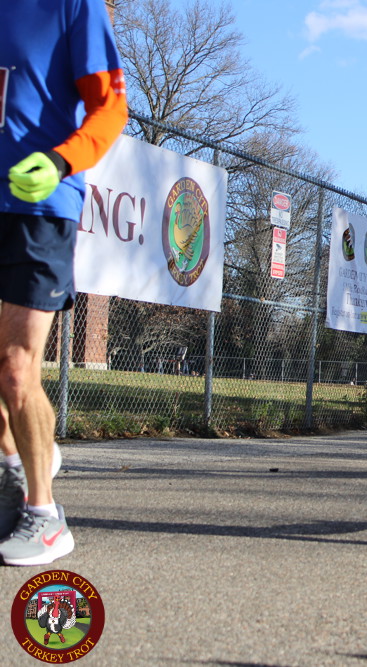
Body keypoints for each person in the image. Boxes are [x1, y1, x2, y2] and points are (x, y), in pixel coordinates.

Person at [0, 1, 127, 566]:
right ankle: (15, 470)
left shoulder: (73, 5)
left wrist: (59, 161)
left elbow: (110, 108)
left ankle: (45, 514)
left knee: (15, 368)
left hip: (40, 207)